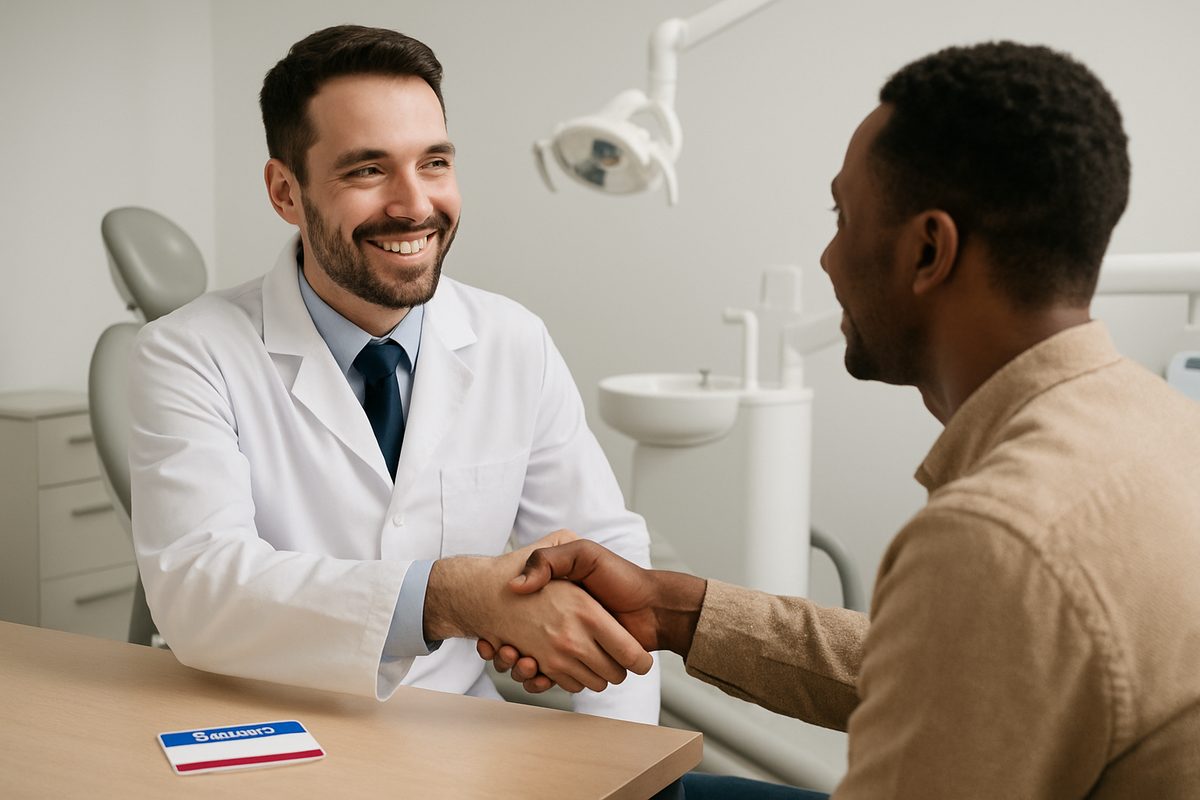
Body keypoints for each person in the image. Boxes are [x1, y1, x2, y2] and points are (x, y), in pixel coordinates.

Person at [482, 41, 1200, 797]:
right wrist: (674, 609)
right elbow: (956, 666)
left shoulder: (997, 536)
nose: (828, 258)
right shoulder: (1164, 426)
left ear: (929, 250)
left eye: (843, 216)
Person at [127, 25, 658, 723]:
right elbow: (202, 590)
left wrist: (619, 773)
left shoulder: (513, 341)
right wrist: (452, 596)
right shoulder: (187, 353)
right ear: (286, 192)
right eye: (367, 170)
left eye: (433, 162)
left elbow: (605, 558)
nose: (414, 204)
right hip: (277, 733)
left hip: (461, 736)